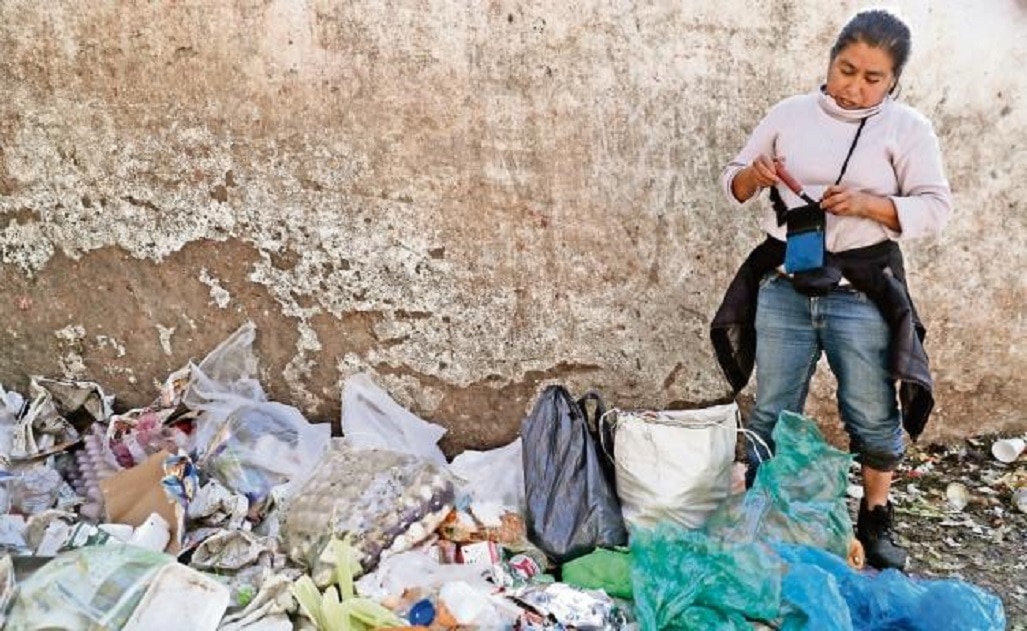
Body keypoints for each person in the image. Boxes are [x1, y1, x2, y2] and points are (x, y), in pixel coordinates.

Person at [709, 9, 952, 570]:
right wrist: (754, 176)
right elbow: (734, 180)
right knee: (771, 408)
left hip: (860, 291)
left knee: (869, 410)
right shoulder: (789, 114)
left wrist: (870, 204)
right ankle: (764, 510)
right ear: (830, 60)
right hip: (785, 285)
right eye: (847, 70)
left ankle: (876, 513)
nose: (855, 86)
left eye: (873, 78)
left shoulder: (907, 129)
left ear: (894, 81)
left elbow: (936, 208)